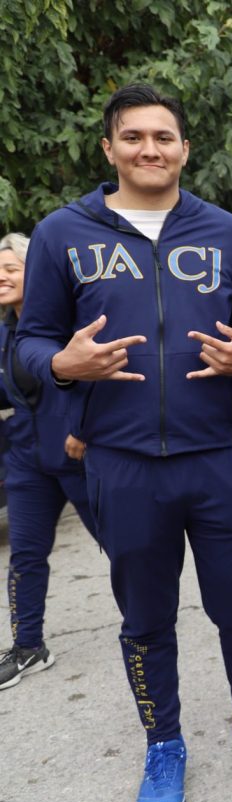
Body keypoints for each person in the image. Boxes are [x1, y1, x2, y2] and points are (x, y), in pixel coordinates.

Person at [15, 83, 232, 802]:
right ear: (109, 148)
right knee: (145, 618)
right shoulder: (61, 234)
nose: (149, 149)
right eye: (133, 137)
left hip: (219, 457)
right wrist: (62, 366)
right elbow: (27, 345)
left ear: (185, 148)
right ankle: (164, 742)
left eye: (163, 137)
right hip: (120, 464)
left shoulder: (228, 234)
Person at [0, 232, 99, 691]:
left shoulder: (70, 325)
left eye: (10, 269)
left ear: (35, 272)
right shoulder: (5, 333)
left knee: (125, 546)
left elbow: (101, 378)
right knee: (25, 553)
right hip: (26, 459)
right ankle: (28, 646)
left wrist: (84, 429)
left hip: (77, 451)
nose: (1, 278)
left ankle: (149, 621)